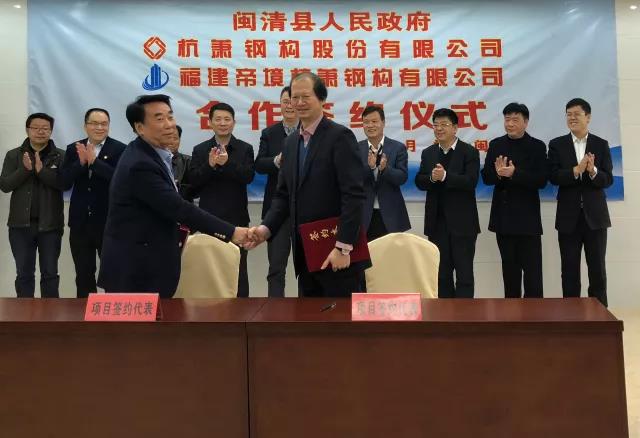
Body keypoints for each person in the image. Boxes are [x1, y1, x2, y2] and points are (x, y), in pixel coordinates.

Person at [97, 94, 247, 298]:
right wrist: (232, 232)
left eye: (170, 116)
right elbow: (178, 208)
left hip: (147, 265)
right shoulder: (140, 164)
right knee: (137, 321)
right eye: (159, 119)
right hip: (134, 272)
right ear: (140, 128)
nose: (169, 125)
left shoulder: (154, 154)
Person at [247, 72, 369, 297]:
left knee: (340, 315)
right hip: (305, 252)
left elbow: (353, 195)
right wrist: (266, 228)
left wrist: (343, 246)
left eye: (306, 96)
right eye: (295, 97)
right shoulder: (290, 142)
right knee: (308, 315)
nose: (299, 103)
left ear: (322, 99)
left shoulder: (340, 136)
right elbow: (283, 195)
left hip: (337, 251)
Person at [548, 98, 613, 307]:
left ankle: (600, 315)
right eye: (569, 114)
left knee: (597, 270)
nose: (572, 118)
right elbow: (553, 176)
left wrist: (592, 171)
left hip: (595, 218)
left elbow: (608, 180)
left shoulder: (601, 144)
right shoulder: (557, 144)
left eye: (577, 114)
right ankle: (571, 315)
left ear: (588, 117)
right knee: (569, 270)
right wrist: (576, 170)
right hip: (568, 218)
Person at [481, 103, 548, 298]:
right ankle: (511, 313)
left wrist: (514, 173)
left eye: (515, 120)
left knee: (533, 275)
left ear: (525, 122)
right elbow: (486, 177)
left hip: (528, 221)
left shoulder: (537, 146)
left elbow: (541, 180)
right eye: (507, 119)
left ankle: (534, 314)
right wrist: (499, 174)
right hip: (504, 220)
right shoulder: (496, 145)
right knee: (510, 274)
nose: (509, 124)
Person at [189, 102, 255, 297]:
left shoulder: (245, 149)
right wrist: (209, 166)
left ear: (234, 122)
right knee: (209, 269)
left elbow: (248, 176)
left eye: (227, 119)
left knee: (238, 268)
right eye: (218, 119)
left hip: (237, 219)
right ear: (210, 122)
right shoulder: (200, 150)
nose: (223, 123)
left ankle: (242, 309)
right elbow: (194, 183)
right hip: (208, 219)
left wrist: (227, 163)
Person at [61, 108, 126, 298]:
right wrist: (80, 163)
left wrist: (95, 163)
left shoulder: (120, 149)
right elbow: (63, 182)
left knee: (112, 273)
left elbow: (120, 181)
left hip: (108, 223)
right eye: (94, 123)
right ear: (85, 126)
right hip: (80, 223)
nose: (99, 127)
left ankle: (113, 312)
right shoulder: (73, 148)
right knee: (83, 274)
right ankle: (85, 313)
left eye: (104, 124)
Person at [415, 108, 480, 298]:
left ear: (455, 128)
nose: (439, 129)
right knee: (441, 275)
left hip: (463, 224)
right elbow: (419, 181)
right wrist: (432, 178)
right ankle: (444, 314)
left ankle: (464, 314)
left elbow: (471, 181)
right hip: (437, 224)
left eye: (444, 124)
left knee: (464, 275)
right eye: (436, 125)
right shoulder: (428, 153)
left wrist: (445, 176)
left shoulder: (469, 152)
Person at [0, 113, 65, 298]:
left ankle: (50, 314)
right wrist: (25, 170)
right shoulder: (14, 155)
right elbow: (5, 185)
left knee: (50, 274)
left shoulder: (61, 155)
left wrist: (41, 171)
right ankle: (24, 315)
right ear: (27, 130)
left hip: (50, 226)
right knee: (24, 274)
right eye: (35, 128)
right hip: (20, 226)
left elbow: (64, 184)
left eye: (45, 128)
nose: (40, 131)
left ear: (51, 131)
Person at [255, 86, 298, 297]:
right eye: (285, 101)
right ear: (280, 104)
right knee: (276, 268)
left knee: (311, 269)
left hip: (306, 210)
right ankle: (275, 311)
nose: (289, 105)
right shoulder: (269, 133)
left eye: (293, 101)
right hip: (277, 211)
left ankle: (310, 311)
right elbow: (259, 164)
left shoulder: (312, 132)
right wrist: (276, 161)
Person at [358, 105, 411, 241]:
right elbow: (352, 179)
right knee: (365, 254)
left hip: (391, 213)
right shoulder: (356, 148)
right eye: (366, 122)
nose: (370, 125)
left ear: (383, 123)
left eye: (374, 121)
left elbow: (402, 177)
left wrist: (385, 169)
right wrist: (370, 167)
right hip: (363, 215)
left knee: (390, 254)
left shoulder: (398, 147)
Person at [169, 125, 193, 201]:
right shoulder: (152, 161)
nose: (171, 142)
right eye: (168, 138)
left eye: (175, 138)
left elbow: (196, 189)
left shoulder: (189, 161)